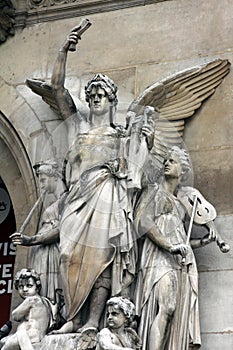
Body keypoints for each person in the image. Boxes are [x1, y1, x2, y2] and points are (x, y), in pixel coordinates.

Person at [46, 26, 154, 334]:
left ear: (112, 101)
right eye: (91, 94)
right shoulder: (77, 128)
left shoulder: (121, 135)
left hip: (107, 196)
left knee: (104, 254)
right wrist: (63, 50)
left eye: (101, 95)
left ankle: (92, 320)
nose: (95, 98)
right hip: (77, 200)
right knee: (69, 255)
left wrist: (145, 141)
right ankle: (72, 316)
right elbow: (57, 89)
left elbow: (137, 172)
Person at [134, 146, 218, 350]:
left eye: (172, 161)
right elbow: (143, 222)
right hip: (158, 256)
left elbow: (183, 241)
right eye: (166, 160)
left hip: (179, 261)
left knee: (174, 310)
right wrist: (169, 246)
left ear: (183, 171)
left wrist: (201, 243)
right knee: (167, 306)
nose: (166, 163)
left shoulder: (181, 204)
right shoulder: (154, 191)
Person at [11, 160, 65, 303]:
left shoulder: (66, 199)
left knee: (49, 296)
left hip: (52, 252)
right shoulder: (55, 202)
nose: (41, 184)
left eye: (43, 180)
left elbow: (62, 229)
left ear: (54, 177)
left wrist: (31, 240)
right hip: (42, 253)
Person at [1, 269, 55, 350]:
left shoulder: (31, 300)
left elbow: (15, 315)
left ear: (37, 287)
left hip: (28, 335)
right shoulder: (45, 301)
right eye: (21, 286)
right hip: (36, 336)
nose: (25, 289)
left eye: (29, 285)